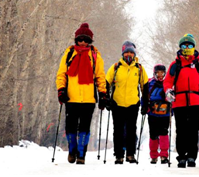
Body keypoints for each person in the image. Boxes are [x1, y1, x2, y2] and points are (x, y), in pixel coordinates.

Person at [56, 23, 108, 165]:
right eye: (80, 39)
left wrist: (103, 94)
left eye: (86, 39)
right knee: (70, 128)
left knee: (84, 128)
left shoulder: (95, 55)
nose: (83, 42)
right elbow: (61, 74)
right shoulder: (69, 53)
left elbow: (100, 76)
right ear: (76, 39)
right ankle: (72, 151)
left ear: (90, 41)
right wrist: (61, 90)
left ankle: (81, 154)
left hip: (88, 100)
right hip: (71, 98)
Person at [163, 34, 199, 168]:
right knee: (181, 130)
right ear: (180, 47)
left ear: (194, 47)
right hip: (179, 101)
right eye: (184, 45)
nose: (187, 48)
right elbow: (168, 81)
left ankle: (191, 156)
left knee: (193, 129)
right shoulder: (175, 65)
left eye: (189, 45)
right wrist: (168, 91)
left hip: (196, 101)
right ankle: (181, 157)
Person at [106, 41, 148, 164]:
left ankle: (131, 155)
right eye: (126, 52)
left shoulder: (139, 68)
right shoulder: (115, 67)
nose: (129, 54)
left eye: (131, 52)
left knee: (131, 130)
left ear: (134, 54)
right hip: (117, 103)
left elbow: (144, 86)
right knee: (118, 130)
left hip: (133, 104)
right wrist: (106, 99)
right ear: (123, 53)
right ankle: (119, 155)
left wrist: (145, 103)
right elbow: (106, 83)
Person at [141, 64, 171, 164]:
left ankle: (163, 155)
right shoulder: (150, 83)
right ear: (154, 73)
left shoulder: (168, 83)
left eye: (162, 73)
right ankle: (153, 156)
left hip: (165, 114)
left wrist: (172, 110)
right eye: (158, 73)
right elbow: (144, 96)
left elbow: (172, 98)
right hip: (152, 113)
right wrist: (144, 107)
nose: (160, 75)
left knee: (164, 133)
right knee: (153, 134)